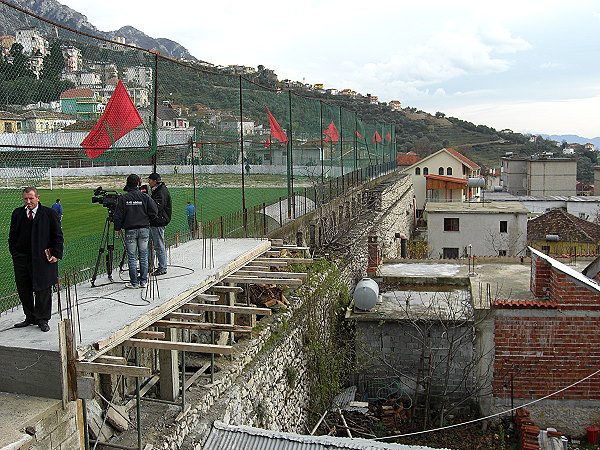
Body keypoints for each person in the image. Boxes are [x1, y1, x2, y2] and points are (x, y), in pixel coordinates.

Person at [9, 187, 64, 332]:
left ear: (38, 198)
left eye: (31, 198)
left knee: (43, 289)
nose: (28, 202)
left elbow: (58, 235)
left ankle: (43, 319)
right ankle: (30, 316)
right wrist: (15, 254)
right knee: (24, 288)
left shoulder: (49, 214)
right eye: (26, 199)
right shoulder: (18, 213)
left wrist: (56, 254)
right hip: (22, 259)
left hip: (43, 259)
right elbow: (12, 236)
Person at [113, 174, 158, 289]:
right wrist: (147, 220)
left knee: (132, 257)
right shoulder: (145, 197)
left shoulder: (123, 198)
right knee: (143, 255)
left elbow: (117, 216)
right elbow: (154, 211)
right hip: (144, 229)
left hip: (130, 230)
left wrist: (118, 228)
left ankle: (134, 282)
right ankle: (144, 281)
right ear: (139, 184)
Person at [147, 172, 172, 276]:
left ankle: (162, 267)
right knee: (150, 245)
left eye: (150, 181)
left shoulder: (161, 192)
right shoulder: (159, 190)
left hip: (158, 222)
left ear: (155, 181)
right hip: (155, 222)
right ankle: (149, 266)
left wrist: (147, 201)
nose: (148, 183)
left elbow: (157, 207)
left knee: (158, 245)